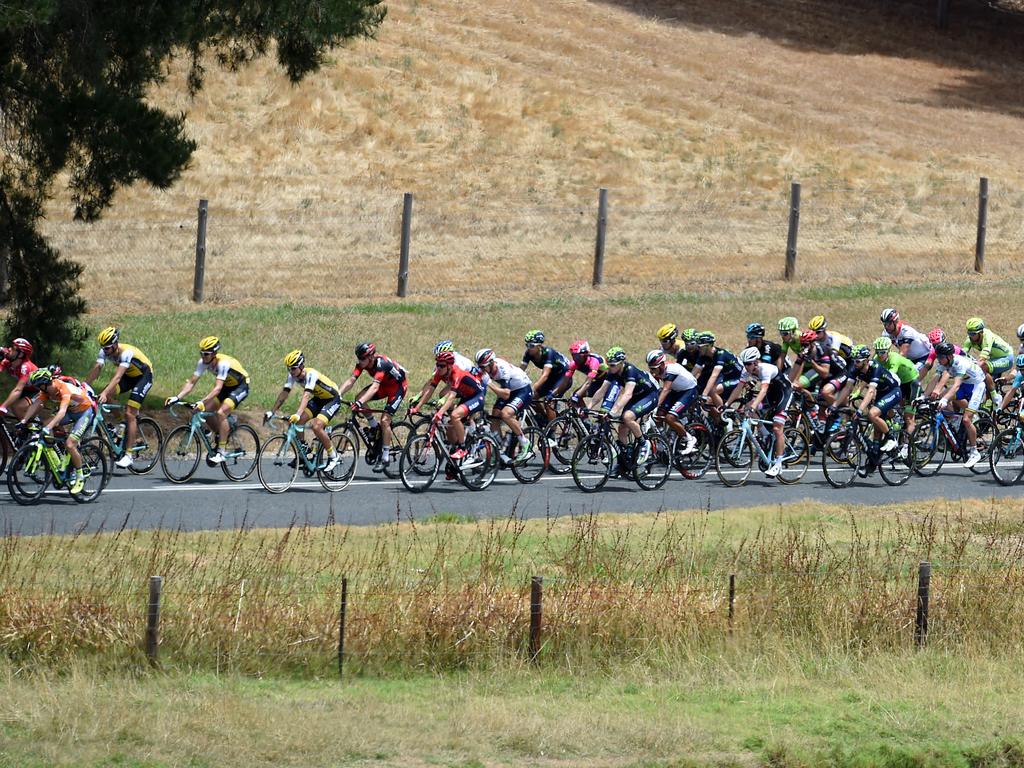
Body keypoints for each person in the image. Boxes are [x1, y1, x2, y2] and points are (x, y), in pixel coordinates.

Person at [165, 336, 250, 464]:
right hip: (226, 387)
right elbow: (192, 382)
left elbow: (217, 389)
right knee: (204, 411)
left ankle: (221, 451)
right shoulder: (202, 362)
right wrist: (177, 397)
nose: (203, 356)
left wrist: (202, 402)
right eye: (202, 353)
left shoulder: (223, 364)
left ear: (214, 354)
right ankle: (220, 433)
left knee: (221, 413)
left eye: (206, 354)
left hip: (240, 386)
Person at [83, 326, 155, 468]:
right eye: (103, 348)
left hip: (144, 376)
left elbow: (117, 377)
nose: (106, 351)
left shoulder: (126, 352)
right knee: (107, 395)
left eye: (108, 348)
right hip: (129, 376)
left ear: (115, 344)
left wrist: (104, 393)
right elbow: (97, 369)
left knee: (130, 412)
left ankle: (128, 455)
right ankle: (121, 424)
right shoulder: (104, 351)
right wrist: (84, 386)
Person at [19, 368, 98, 494]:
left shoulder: (63, 388)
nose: (38, 388)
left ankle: (79, 476)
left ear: (44, 384)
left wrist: (48, 428)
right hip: (71, 412)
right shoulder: (46, 391)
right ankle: (57, 459)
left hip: (85, 412)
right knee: (45, 423)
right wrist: (23, 421)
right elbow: (35, 404)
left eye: (39, 386)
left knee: (70, 444)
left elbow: (61, 412)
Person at [335, 342, 409, 473]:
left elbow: (374, 387)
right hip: (384, 385)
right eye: (358, 358)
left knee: (385, 420)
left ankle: (385, 457)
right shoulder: (362, 364)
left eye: (362, 358)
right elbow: (352, 380)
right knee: (359, 397)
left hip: (397, 388)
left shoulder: (382, 364)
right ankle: (375, 428)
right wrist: (338, 394)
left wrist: (360, 403)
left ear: (370, 357)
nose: (360, 361)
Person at [833, 345, 904, 477]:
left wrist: (860, 410)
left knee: (872, 414)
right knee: (876, 430)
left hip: (893, 391)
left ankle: (891, 438)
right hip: (882, 394)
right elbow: (847, 388)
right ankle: (872, 463)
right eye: (854, 360)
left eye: (858, 361)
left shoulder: (875, 367)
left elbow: (871, 391)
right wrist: (835, 405)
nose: (855, 363)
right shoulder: (856, 368)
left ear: (866, 360)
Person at [266, 350, 341, 472]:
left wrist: (298, 414)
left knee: (316, 426)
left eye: (293, 368)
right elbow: (284, 393)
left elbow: (306, 396)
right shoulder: (293, 375)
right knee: (296, 422)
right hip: (319, 399)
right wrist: (272, 411)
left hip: (333, 399)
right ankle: (303, 452)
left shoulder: (311, 374)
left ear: (301, 366)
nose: (291, 371)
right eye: (289, 368)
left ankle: (334, 456)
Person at [725, 346, 793, 478]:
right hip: (770, 395)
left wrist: (754, 406)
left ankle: (778, 464)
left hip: (784, 393)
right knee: (746, 408)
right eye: (744, 364)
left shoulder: (765, 369)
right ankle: (766, 435)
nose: (746, 367)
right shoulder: (747, 370)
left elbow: (763, 390)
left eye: (749, 364)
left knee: (777, 427)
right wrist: (726, 404)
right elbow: (739, 388)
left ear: (756, 362)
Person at [410, 350, 486, 466]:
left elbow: (451, 397)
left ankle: (463, 448)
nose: (438, 368)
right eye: (437, 364)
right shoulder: (439, 373)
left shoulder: (457, 373)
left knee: (455, 416)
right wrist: (417, 407)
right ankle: (454, 458)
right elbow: (430, 390)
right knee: (450, 426)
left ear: (449, 366)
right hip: (465, 396)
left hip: (477, 396)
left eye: (441, 365)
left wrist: (440, 413)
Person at [589, 347, 659, 468]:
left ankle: (644, 443)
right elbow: (602, 390)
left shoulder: (630, 370)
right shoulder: (612, 372)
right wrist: (589, 407)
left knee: (627, 417)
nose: (610, 368)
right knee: (622, 429)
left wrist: (613, 411)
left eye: (612, 365)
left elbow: (627, 394)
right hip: (636, 398)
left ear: (621, 363)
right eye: (608, 364)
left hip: (648, 396)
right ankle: (625, 463)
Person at [929, 341, 986, 469]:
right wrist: (925, 396)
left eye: (941, 357)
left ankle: (974, 451)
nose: (939, 360)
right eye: (938, 357)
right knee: (941, 396)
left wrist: (944, 400)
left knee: (966, 419)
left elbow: (956, 385)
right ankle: (956, 420)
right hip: (966, 384)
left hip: (976, 386)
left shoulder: (960, 363)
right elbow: (935, 379)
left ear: (949, 356)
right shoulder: (945, 362)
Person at [477, 347, 534, 462]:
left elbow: (506, 395)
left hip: (522, 390)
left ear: (491, 363)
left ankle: (525, 444)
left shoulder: (502, 370)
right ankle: (498, 450)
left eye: (483, 367)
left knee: (505, 414)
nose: (482, 369)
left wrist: (489, 383)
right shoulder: (489, 368)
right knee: (495, 415)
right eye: (480, 366)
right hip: (511, 390)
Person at [647, 350, 698, 456]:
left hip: (688, 390)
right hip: (675, 391)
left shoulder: (671, 369)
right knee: (658, 415)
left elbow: (665, 389)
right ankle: (663, 439)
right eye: (650, 368)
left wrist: (654, 406)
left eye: (653, 368)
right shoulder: (658, 370)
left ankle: (689, 438)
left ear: (661, 365)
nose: (652, 371)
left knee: (670, 417)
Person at [520, 330, 570, 425]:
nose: (528, 348)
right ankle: (545, 419)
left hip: (563, 377)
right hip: (552, 377)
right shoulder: (528, 354)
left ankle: (551, 434)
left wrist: (533, 388)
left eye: (531, 346)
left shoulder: (548, 353)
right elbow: (520, 371)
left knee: (548, 402)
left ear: (539, 346)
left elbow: (545, 375)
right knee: (532, 398)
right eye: (527, 345)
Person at [963, 317, 1013, 407]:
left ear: (981, 332)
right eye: (969, 333)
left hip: (1006, 358)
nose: (971, 336)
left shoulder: (988, 336)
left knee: (982, 368)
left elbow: (984, 356)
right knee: (986, 382)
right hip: (995, 359)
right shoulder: (969, 339)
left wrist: (974, 368)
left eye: (973, 334)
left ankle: (995, 397)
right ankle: (989, 407)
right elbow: (962, 353)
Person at [0, 338, 37, 419]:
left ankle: (32, 428)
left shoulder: (25, 367)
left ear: (20, 355)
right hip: (26, 388)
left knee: (16, 408)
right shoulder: (7, 361)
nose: (9, 349)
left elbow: (18, 390)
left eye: (13, 348)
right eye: (10, 346)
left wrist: (3, 407)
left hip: (38, 391)